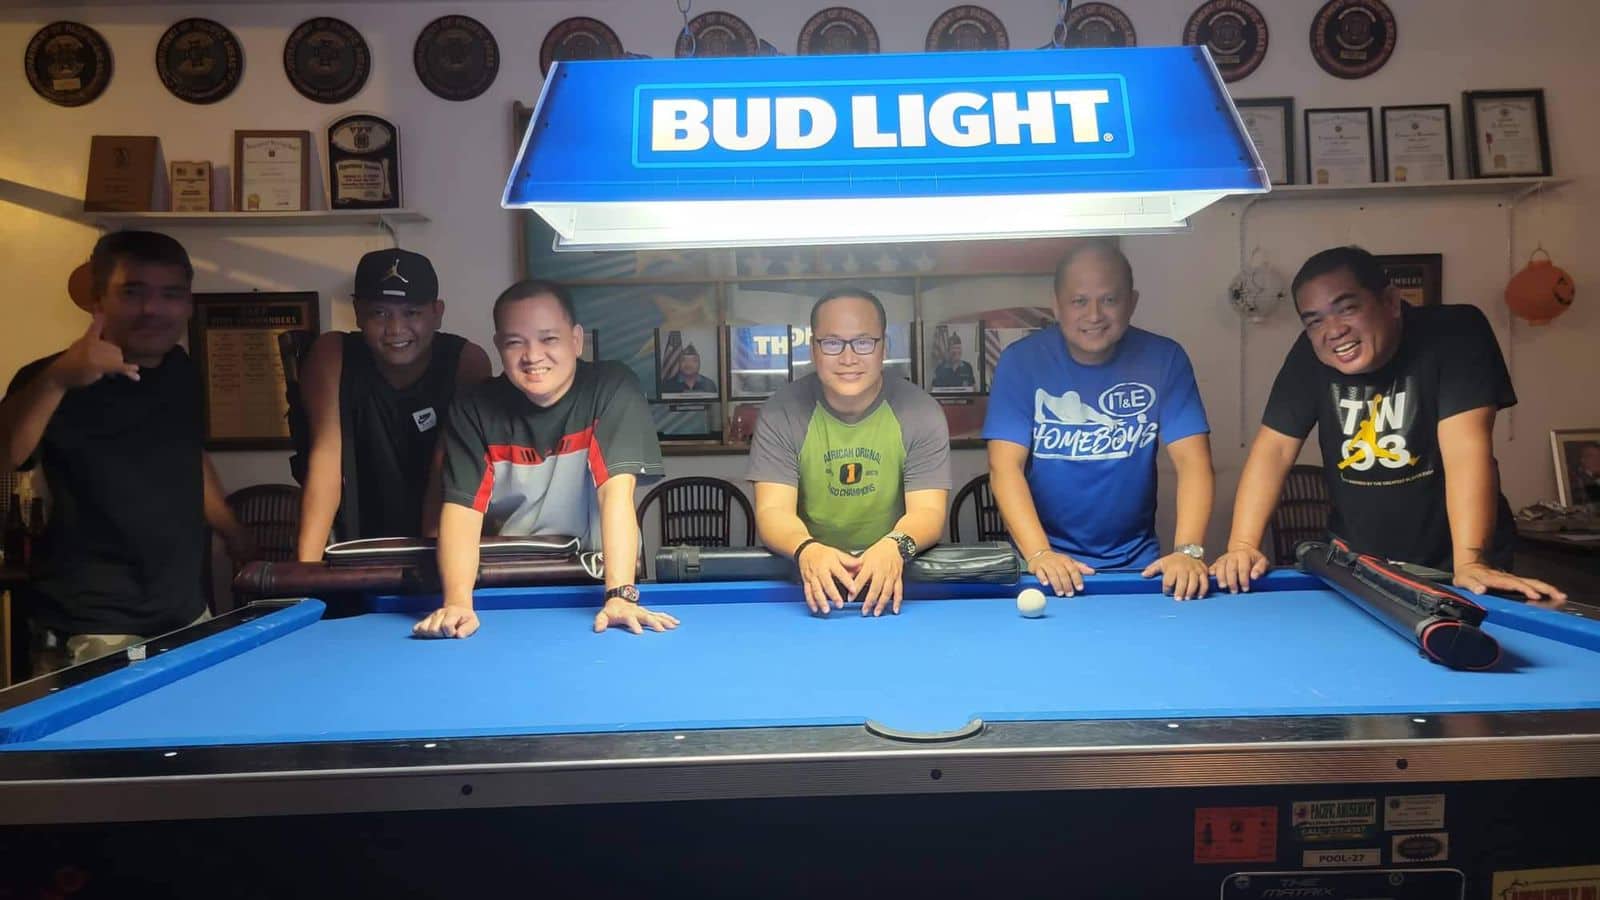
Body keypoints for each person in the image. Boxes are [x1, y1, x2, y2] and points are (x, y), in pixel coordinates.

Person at [1212, 245, 1565, 604]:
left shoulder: (1455, 333)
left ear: (1391, 302)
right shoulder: (1309, 353)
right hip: (1357, 565)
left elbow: (1465, 450)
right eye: (1314, 319)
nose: (1332, 331)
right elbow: (1274, 450)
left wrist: (1470, 561)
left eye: (1347, 308)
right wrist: (1242, 546)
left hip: (1453, 565)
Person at [0, 231, 255, 675]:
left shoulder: (179, 369)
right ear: (98, 301)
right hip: (93, 626)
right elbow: (7, 455)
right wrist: (60, 379)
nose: (153, 309)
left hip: (185, 614)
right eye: (133, 292)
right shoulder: (47, 377)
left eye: (170, 294)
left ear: (188, 303)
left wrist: (232, 529)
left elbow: (186, 456)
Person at [412, 279, 672, 639]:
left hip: (599, 580)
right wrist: (457, 602)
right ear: (499, 347)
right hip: (509, 580)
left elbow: (615, 493)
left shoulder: (612, 387)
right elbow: (462, 511)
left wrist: (620, 595)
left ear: (576, 340)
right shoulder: (473, 408)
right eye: (515, 342)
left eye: (549, 339)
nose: (533, 356)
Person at [983, 240, 1215, 600]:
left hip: (1138, 564)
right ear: (1056, 305)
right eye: (1079, 301)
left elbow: (1193, 462)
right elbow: (1004, 468)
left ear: (1132, 302)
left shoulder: (1164, 359)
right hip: (1044, 563)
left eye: (1109, 300)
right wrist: (1040, 553)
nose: (1094, 315)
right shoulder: (1020, 362)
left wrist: (1187, 550)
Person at [748, 288, 951, 617]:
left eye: (863, 342)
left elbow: (928, 511)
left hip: (895, 571)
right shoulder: (780, 411)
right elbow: (773, 511)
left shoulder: (921, 411)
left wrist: (894, 545)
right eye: (832, 343)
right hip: (809, 576)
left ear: (883, 347)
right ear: (814, 349)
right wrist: (807, 549)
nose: (848, 358)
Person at [294, 249, 491, 561]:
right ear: (358, 312)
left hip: (443, 536)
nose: (396, 329)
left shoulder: (466, 361)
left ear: (437, 312)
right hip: (352, 539)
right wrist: (305, 572)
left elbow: (451, 469)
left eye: (411, 312)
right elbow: (326, 459)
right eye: (380, 313)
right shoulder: (333, 354)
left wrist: (444, 567)